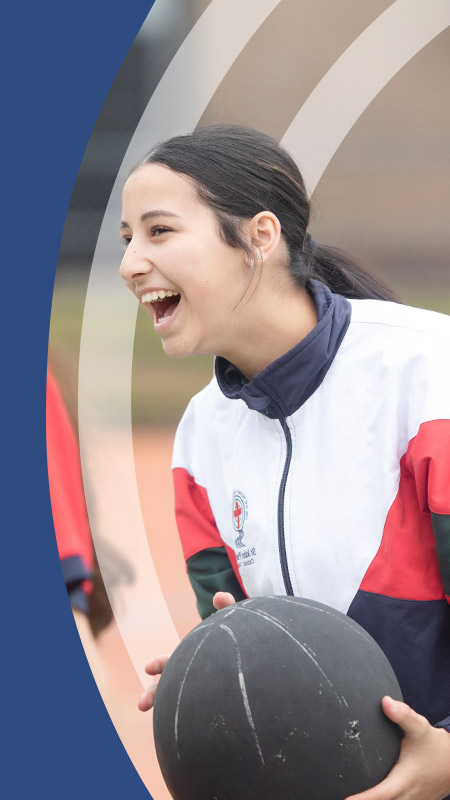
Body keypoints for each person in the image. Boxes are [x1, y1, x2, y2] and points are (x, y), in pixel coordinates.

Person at [119, 125, 450, 800]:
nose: (130, 264)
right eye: (127, 239)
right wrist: (215, 668)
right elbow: (250, 640)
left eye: (159, 231)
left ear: (260, 236)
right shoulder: (201, 435)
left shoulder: (427, 377)